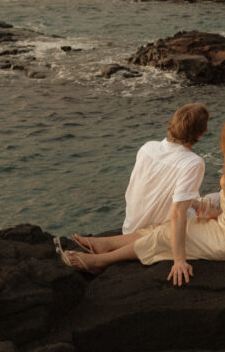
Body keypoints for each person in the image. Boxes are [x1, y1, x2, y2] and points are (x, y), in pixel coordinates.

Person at [60, 112, 225, 282]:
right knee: (166, 225)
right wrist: (217, 211)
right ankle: (105, 244)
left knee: (166, 234)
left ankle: (100, 262)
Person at [74, 102, 209, 287]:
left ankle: (108, 243)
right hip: (151, 233)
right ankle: (107, 253)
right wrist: (179, 260)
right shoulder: (193, 163)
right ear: (199, 134)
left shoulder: (148, 147)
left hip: (131, 225)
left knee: (211, 204)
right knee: (216, 219)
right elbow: (178, 213)